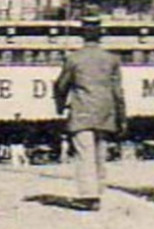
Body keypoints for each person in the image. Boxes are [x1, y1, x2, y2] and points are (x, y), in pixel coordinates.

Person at [53, 17, 126, 211]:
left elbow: (61, 85)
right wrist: (122, 118)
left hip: (82, 112)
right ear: (101, 36)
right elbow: (118, 92)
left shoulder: (74, 59)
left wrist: (60, 106)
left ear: (82, 36)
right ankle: (98, 191)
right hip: (105, 112)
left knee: (85, 154)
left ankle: (88, 196)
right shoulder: (112, 59)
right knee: (100, 153)